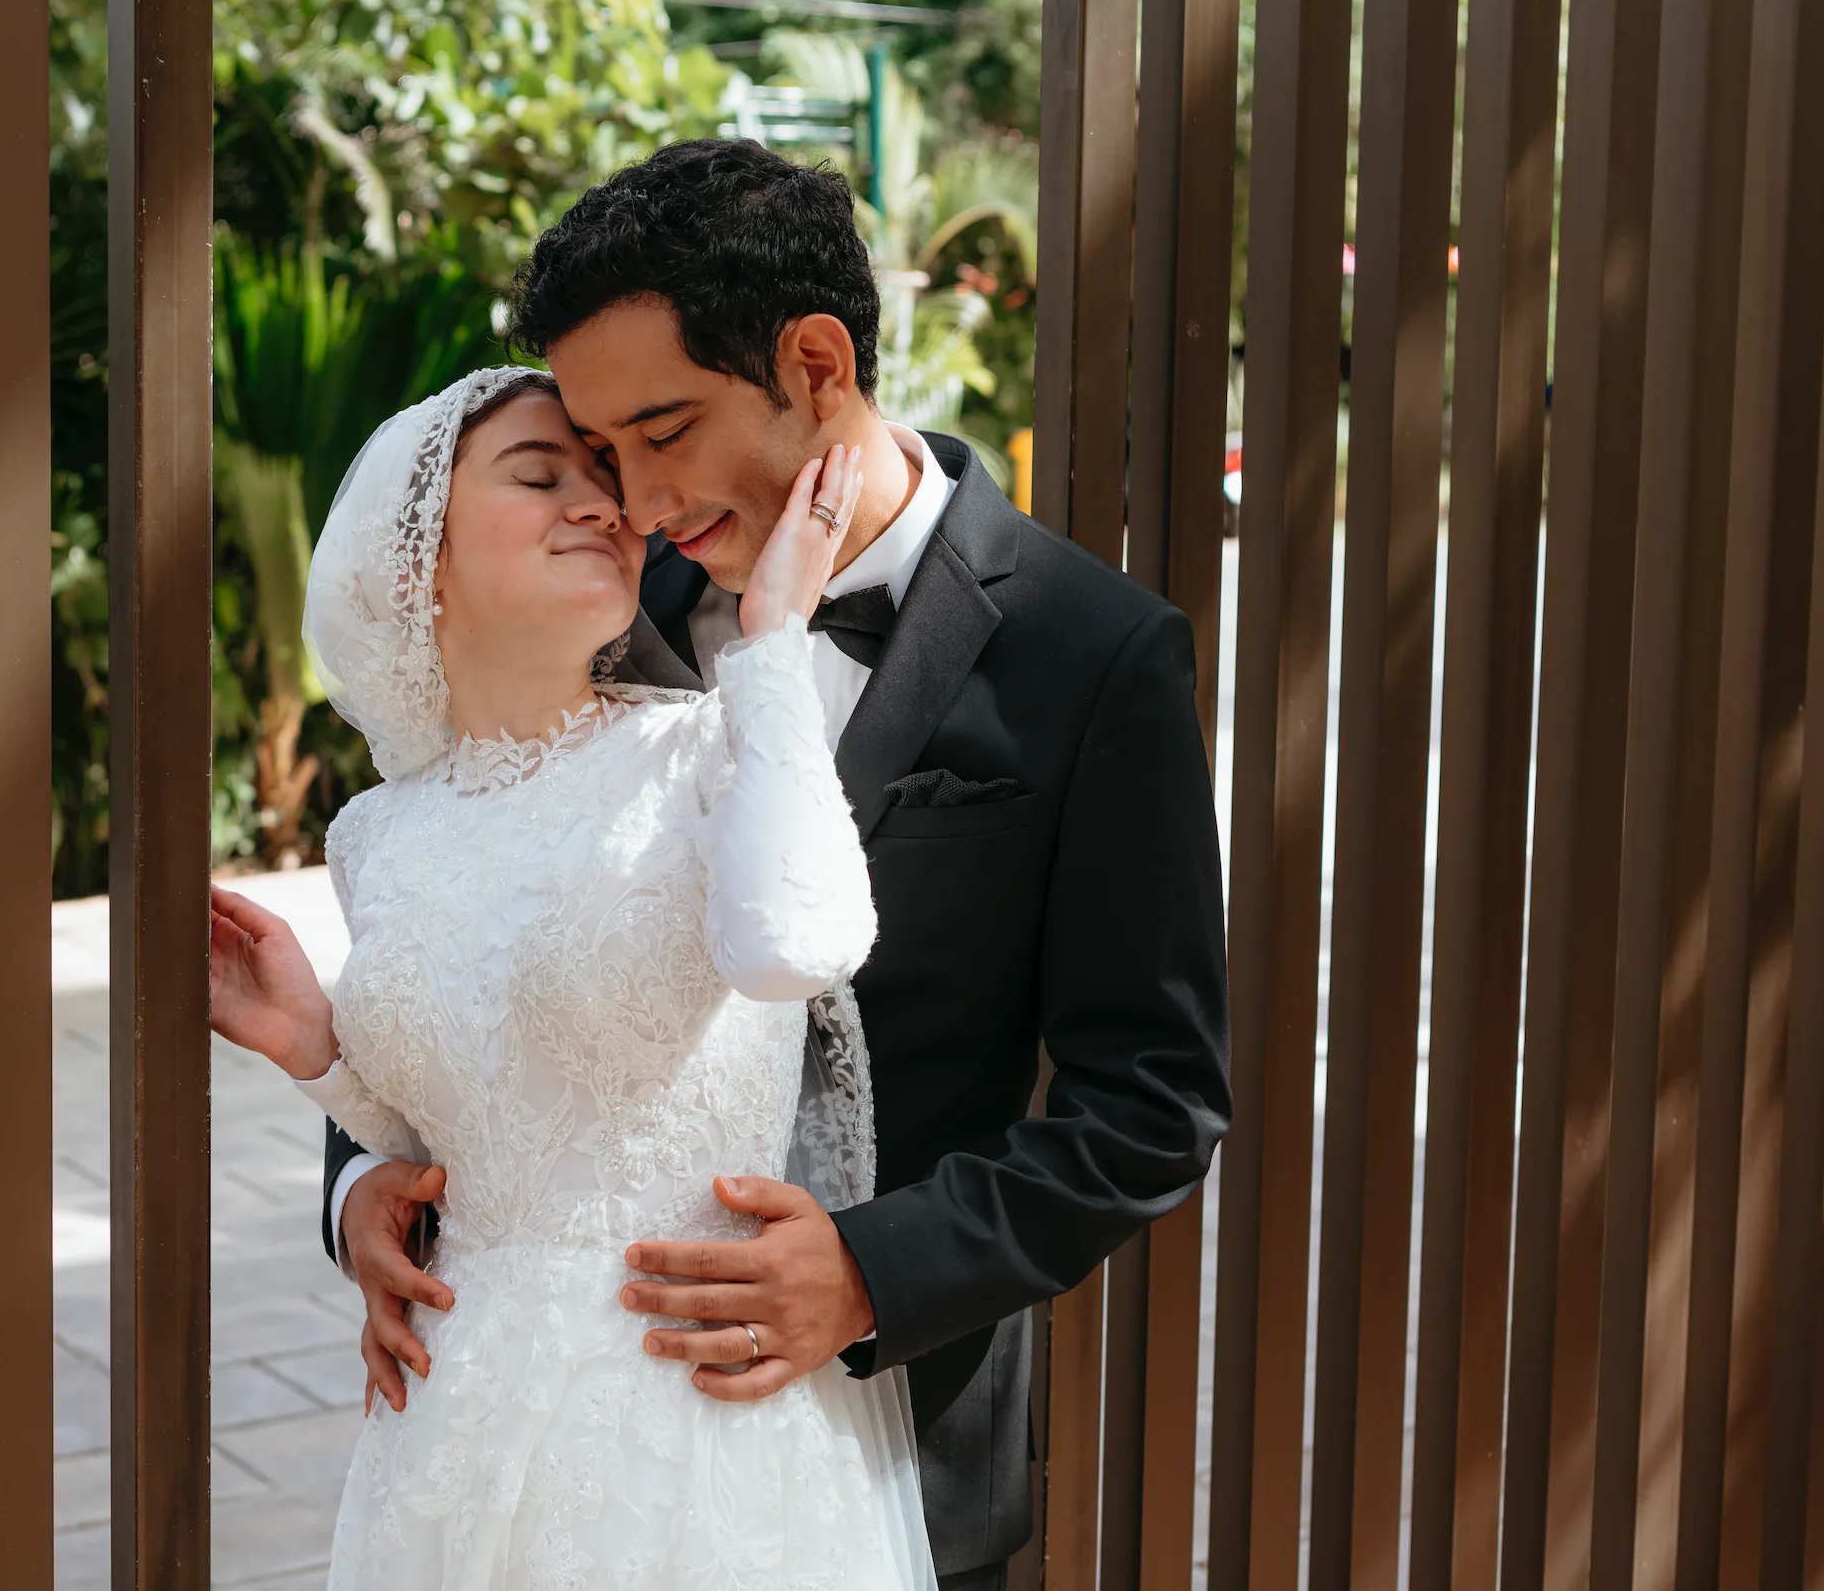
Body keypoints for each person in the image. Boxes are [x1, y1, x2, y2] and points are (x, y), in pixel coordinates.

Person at [323, 140, 1234, 1590]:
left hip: (903, 1440)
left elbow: (1155, 1100)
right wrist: (364, 1185)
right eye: (600, 445)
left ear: (815, 360)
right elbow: (462, 914)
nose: (631, 494)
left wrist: (876, 1266)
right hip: (555, 1473)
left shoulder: (1095, 651)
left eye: (663, 428)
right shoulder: (613, 605)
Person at [210, 365, 940, 1588]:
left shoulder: (713, 745)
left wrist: (769, 650)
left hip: (692, 1411)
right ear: (417, 565)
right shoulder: (376, 835)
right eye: (541, 476)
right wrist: (317, 1052)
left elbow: (796, 944)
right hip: (454, 1413)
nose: (601, 504)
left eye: (604, 481)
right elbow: (485, 1125)